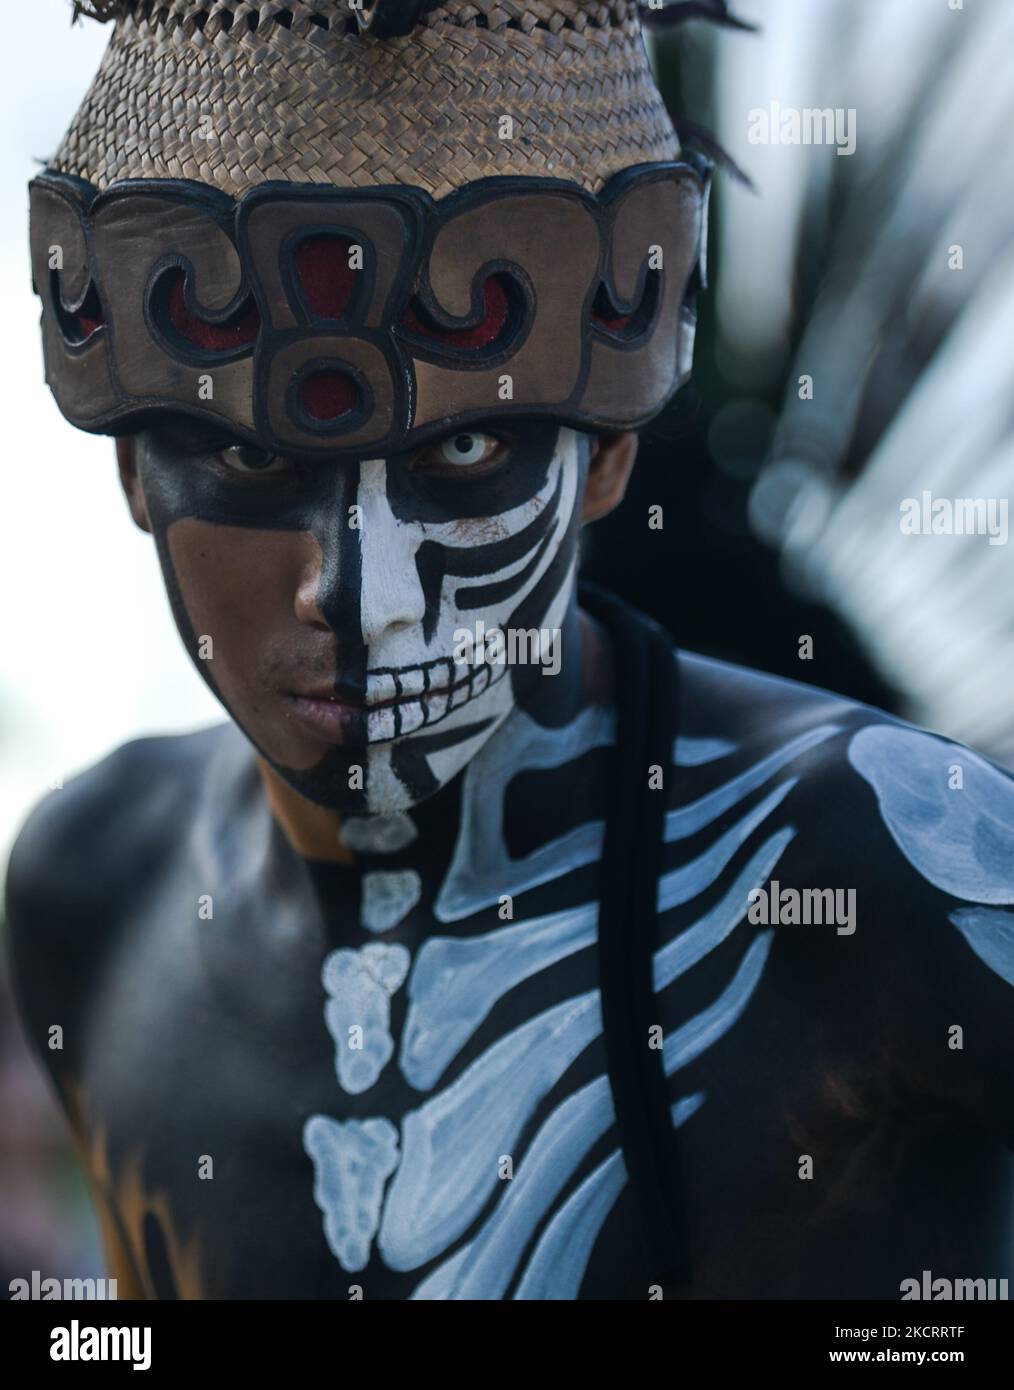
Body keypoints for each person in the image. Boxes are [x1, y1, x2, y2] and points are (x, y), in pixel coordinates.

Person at [6, 0, 1013, 1301]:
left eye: (460, 453)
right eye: (255, 455)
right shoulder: (93, 890)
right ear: (135, 464)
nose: (359, 593)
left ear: (602, 456)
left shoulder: (885, 864)